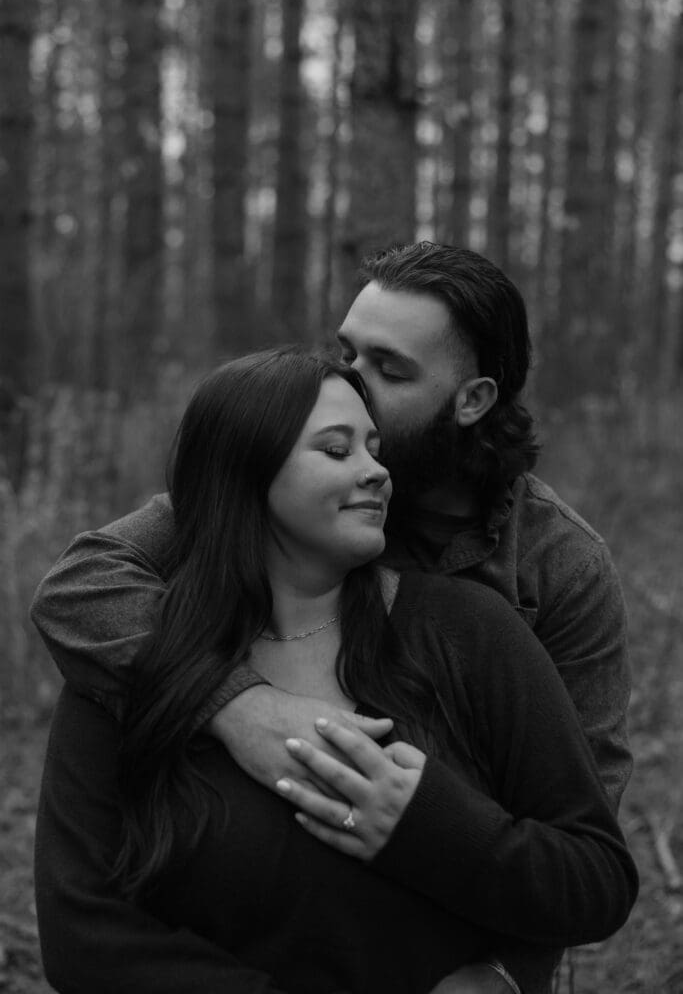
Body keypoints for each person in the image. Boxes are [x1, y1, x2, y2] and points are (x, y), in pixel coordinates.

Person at [31, 243, 632, 993]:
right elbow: (80, 583)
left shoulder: (548, 571)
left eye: (389, 370)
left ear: (471, 401)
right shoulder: (267, 499)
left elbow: (581, 830)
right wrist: (238, 705)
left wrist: (500, 973)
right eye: (346, 353)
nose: (349, 383)